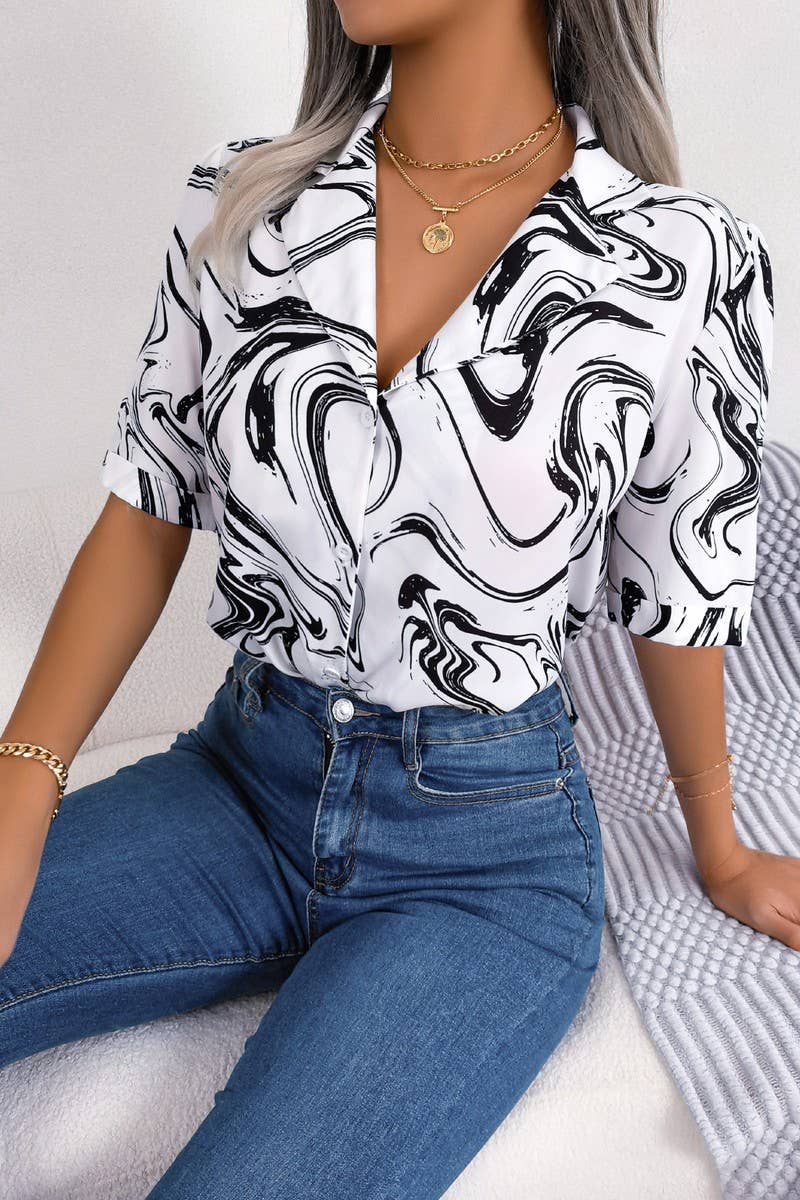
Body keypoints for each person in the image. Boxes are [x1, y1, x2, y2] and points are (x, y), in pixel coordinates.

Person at [0, 1, 793, 1197]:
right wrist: (23, 779)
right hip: (242, 783)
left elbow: (677, 581)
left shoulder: (682, 258)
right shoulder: (245, 204)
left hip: (484, 861)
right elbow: (148, 503)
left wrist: (717, 843)